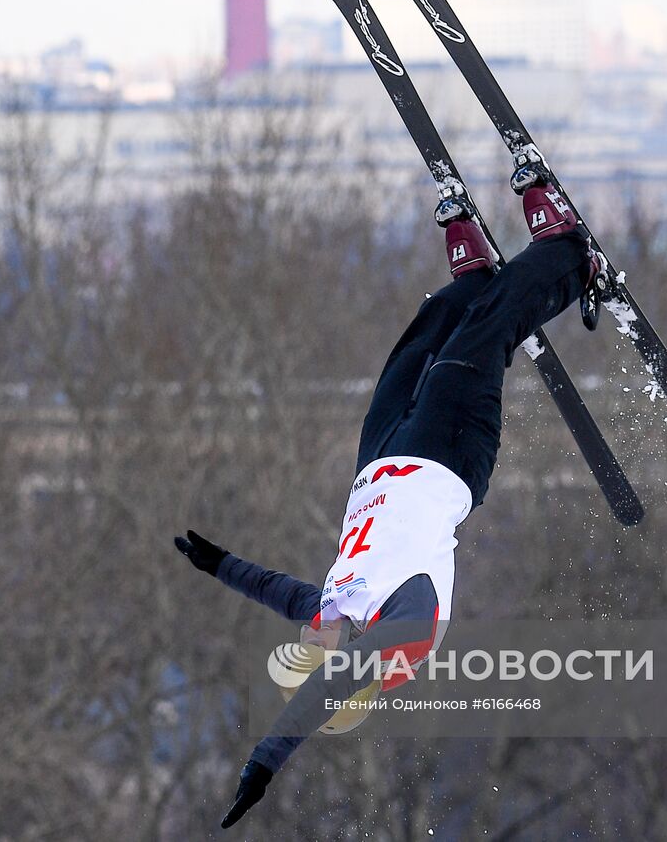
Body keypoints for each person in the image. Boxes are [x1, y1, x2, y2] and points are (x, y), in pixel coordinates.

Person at [173, 157, 606, 829]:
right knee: (481, 342)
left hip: (382, 457)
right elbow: (319, 698)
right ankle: (571, 257)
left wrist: (218, 563)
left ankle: (472, 282)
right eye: (322, 648)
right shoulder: (403, 629)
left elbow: (277, 590)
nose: (315, 632)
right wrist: (262, 763)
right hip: (451, 455)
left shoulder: (333, 607)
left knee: (411, 354)